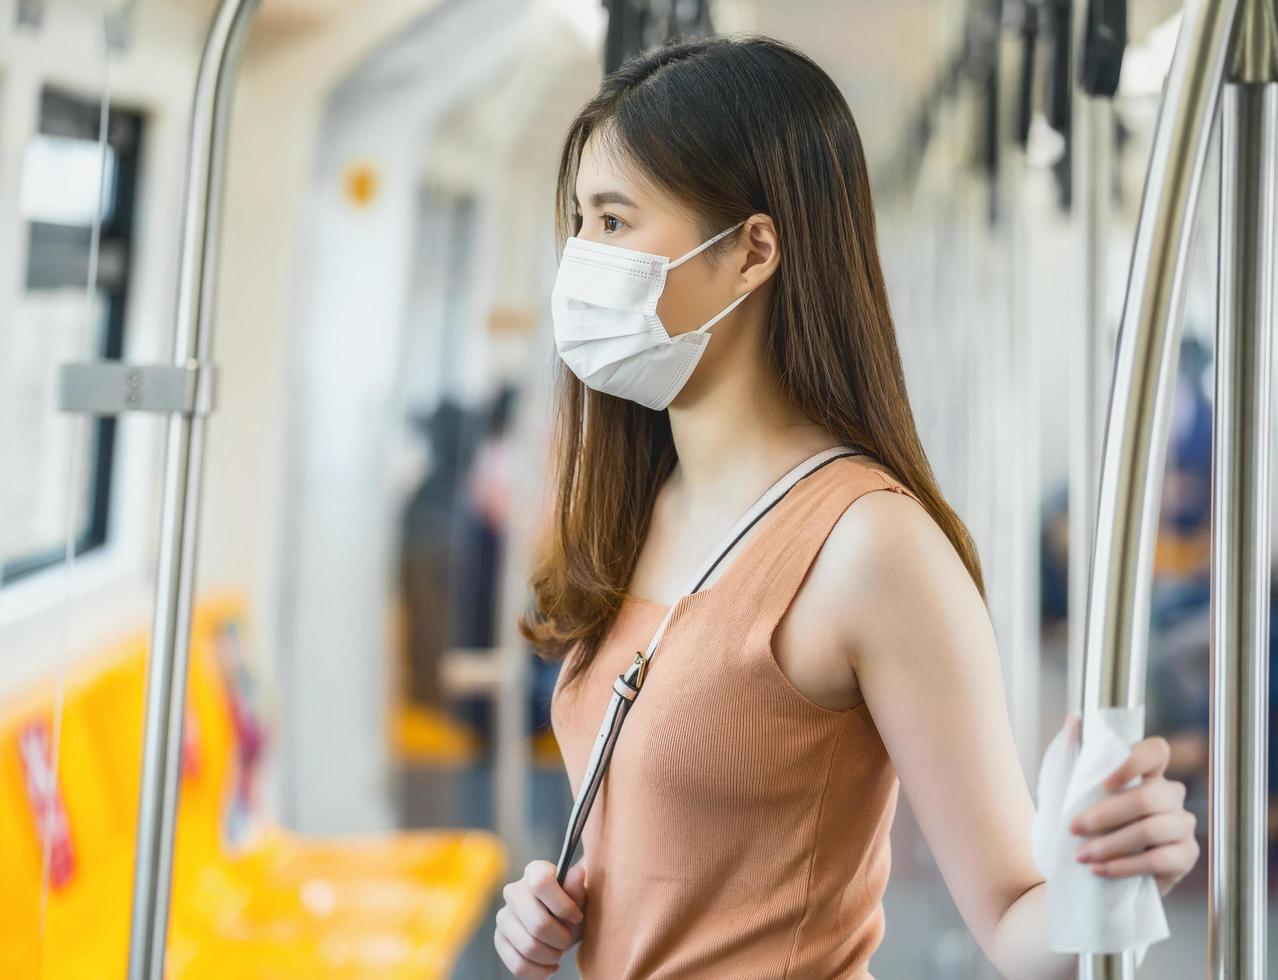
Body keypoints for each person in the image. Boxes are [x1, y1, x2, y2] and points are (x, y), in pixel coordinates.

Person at [494, 35, 1198, 979]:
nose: (582, 259)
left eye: (615, 222)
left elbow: (1015, 921)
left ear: (752, 251)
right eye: (579, 222)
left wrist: (1096, 878)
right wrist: (557, 905)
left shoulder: (871, 546)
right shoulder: (643, 503)